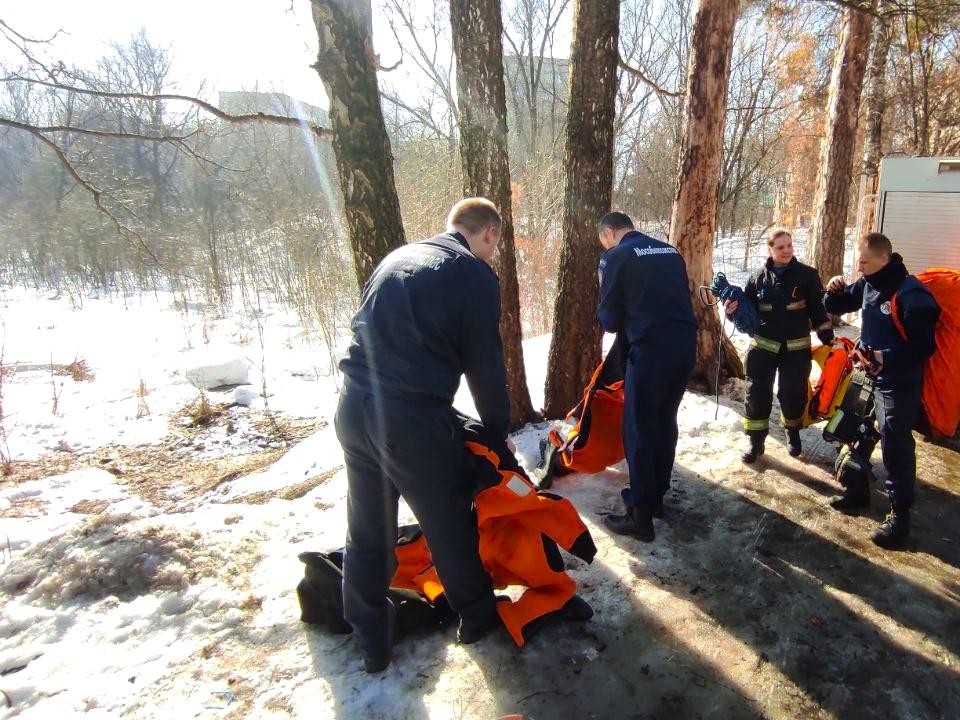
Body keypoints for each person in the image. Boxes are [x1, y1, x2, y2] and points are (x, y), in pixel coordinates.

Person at [335, 198, 509, 672]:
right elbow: (486, 367)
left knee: (368, 527)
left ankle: (370, 639)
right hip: (408, 417)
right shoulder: (473, 274)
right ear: (489, 232)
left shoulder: (398, 257)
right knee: (448, 516)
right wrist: (497, 436)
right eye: (497, 242)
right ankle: (476, 616)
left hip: (352, 405)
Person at [824, 232, 940, 548]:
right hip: (867, 374)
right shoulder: (868, 283)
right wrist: (832, 290)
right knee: (852, 430)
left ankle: (900, 518)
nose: (858, 268)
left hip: (898, 384)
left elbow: (924, 348)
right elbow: (838, 303)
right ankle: (857, 490)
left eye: (863, 261)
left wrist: (883, 358)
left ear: (883, 259)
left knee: (895, 446)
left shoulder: (912, 295)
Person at [596, 212, 697, 542]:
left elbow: (609, 320)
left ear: (610, 233)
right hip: (684, 347)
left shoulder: (616, 256)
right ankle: (655, 498)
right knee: (664, 420)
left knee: (638, 427)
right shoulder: (669, 251)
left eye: (604, 240)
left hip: (651, 351)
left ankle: (640, 516)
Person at [724, 229, 832, 463]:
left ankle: (792, 432)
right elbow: (746, 313)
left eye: (789, 246)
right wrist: (732, 312)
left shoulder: (808, 275)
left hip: (795, 350)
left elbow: (818, 309)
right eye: (780, 247)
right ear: (770, 249)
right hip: (762, 349)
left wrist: (827, 336)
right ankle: (756, 442)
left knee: (793, 394)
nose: (786, 251)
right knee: (756, 395)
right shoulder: (756, 279)